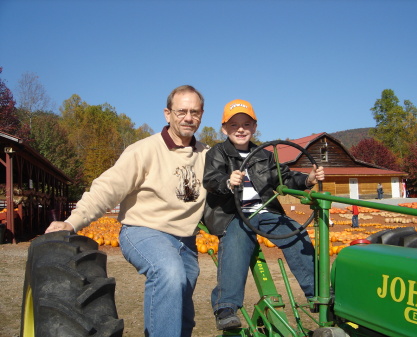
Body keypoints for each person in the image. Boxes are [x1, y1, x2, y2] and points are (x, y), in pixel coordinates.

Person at [45, 85, 209, 337]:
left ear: (201, 114)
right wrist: (72, 221)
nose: (188, 117)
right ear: (167, 114)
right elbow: (108, 188)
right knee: (168, 272)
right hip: (144, 231)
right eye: (182, 111)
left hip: (186, 241)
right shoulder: (144, 150)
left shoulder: (206, 155)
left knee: (183, 311)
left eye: (195, 112)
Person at [202, 99, 325, 330]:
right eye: (234, 124)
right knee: (237, 240)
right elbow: (210, 179)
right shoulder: (218, 153)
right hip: (232, 213)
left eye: (246, 124)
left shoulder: (264, 155)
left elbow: (285, 177)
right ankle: (226, 306)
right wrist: (228, 181)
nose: (240, 129)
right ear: (224, 128)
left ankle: (316, 293)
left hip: (264, 211)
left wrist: (307, 180)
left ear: (254, 127)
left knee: (294, 231)